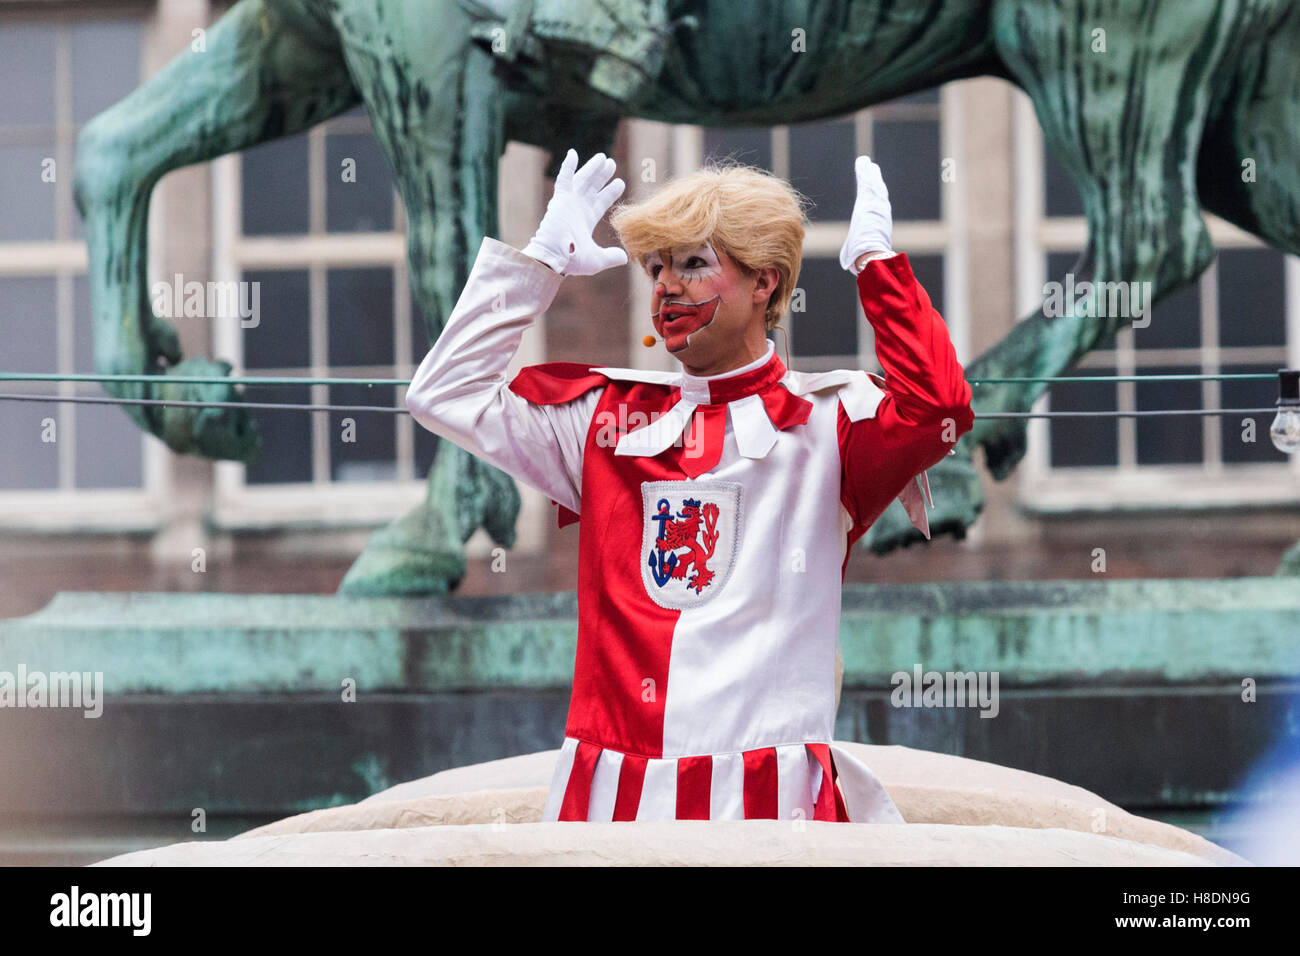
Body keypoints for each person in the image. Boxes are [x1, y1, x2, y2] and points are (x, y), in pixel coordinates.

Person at [406, 149, 974, 822]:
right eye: (656, 267)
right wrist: (538, 265)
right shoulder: (603, 419)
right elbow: (442, 393)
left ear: (765, 282)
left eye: (693, 264)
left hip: (772, 800)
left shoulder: (832, 424)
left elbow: (940, 408)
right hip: (612, 796)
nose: (667, 287)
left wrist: (876, 268)